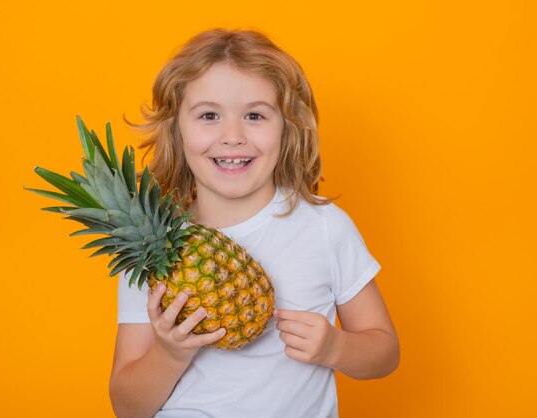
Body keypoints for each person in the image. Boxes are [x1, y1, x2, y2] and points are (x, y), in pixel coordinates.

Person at [108, 28, 399, 418]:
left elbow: (385, 351)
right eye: (209, 115)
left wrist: (336, 348)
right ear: (177, 130)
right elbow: (127, 408)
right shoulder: (152, 247)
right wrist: (170, 352)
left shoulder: (324, 227)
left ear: (287, 127)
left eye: (255, 115)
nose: (232, 136)